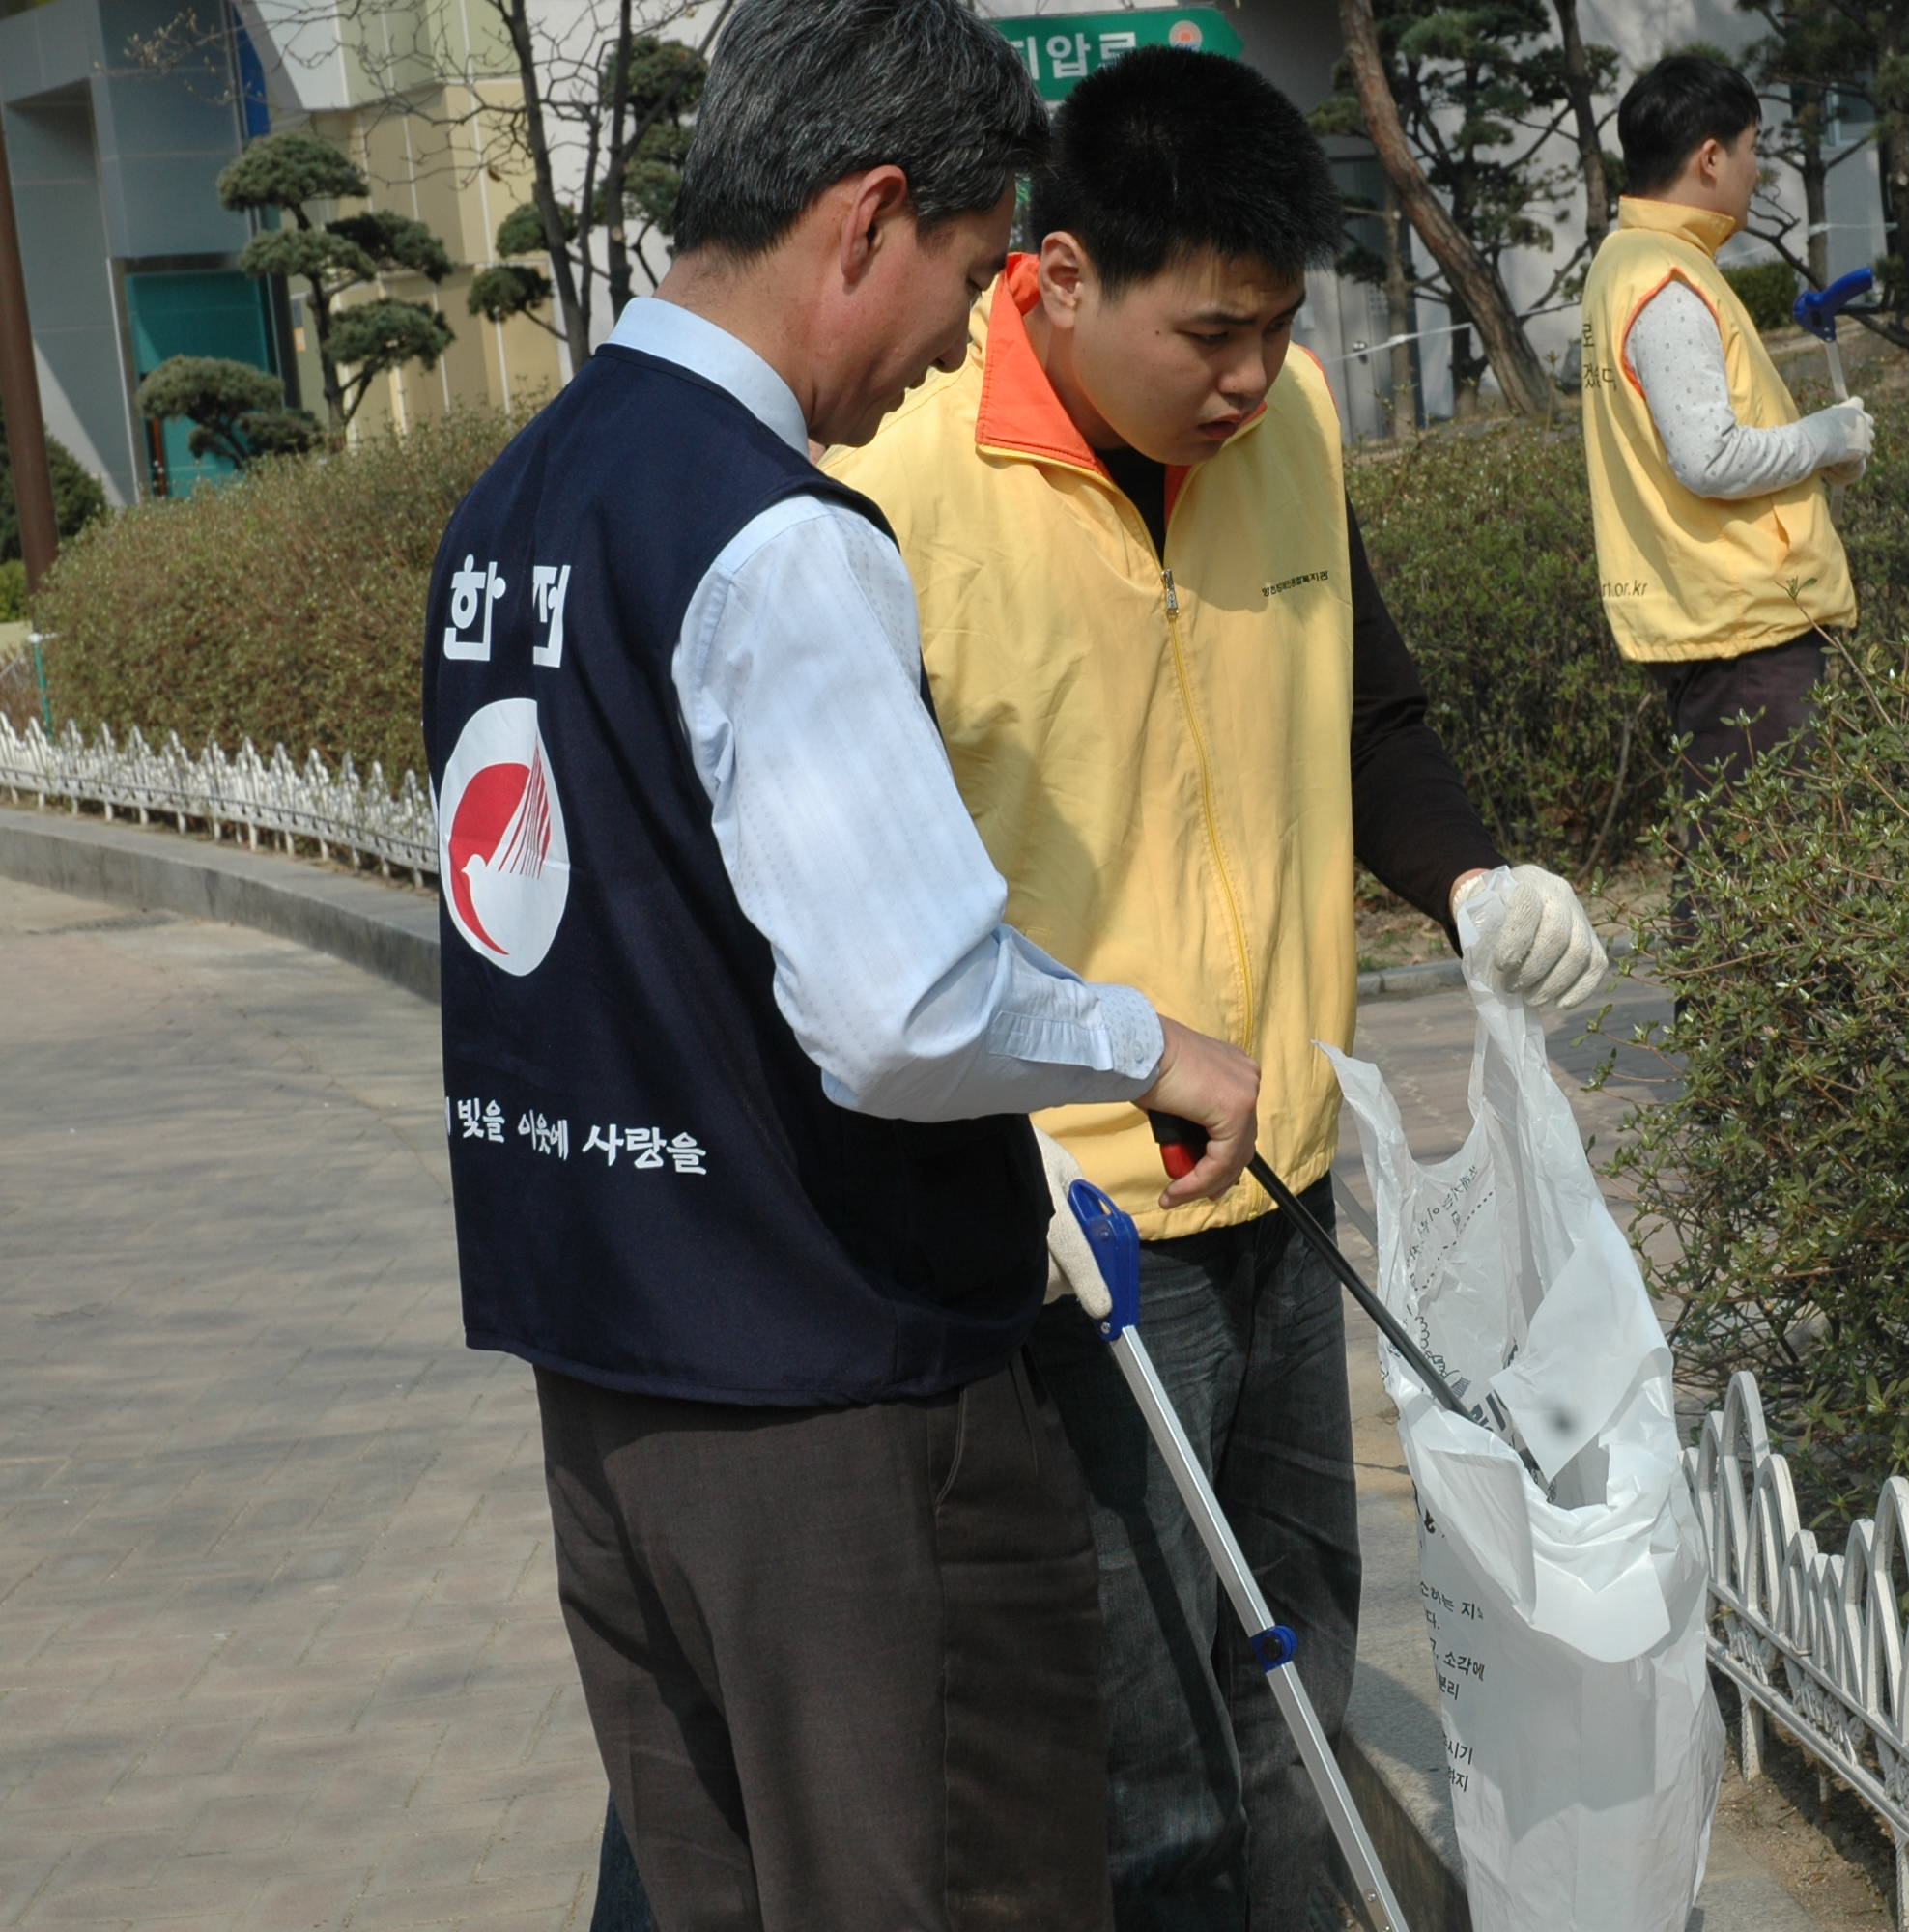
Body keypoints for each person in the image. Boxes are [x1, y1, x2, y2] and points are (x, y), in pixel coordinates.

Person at [421, 2, 1262, 1924]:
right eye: (973, 276)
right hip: (835, 1412)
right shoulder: (776, 536)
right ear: (869, 217)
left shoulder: (517, 504)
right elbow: (902, 1008)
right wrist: (1151, 1047)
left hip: (612, 1373)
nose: (970, 337)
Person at [821, 49, 1612, 1931]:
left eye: (1276, 328)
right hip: (1080, 1227)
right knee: (1150, 1727)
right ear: (1064, 276)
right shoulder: (894, 479)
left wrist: (1476, 878)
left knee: (1300, 1663)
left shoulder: (1296, 426)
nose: (1248, 377)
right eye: (1211, 334)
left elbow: (1372, 706)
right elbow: (847, 907)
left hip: (1282, 1169)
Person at [1578, 52, 1868, 817]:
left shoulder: (1631, 262)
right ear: (1711, 157)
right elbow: (1707, 457)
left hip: (1719, 617)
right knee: (1757, 888)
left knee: (1746, 875)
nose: (1756, 169)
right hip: (1744, 627)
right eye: (1753, 148)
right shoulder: (1668, 280)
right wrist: (1826, 438)